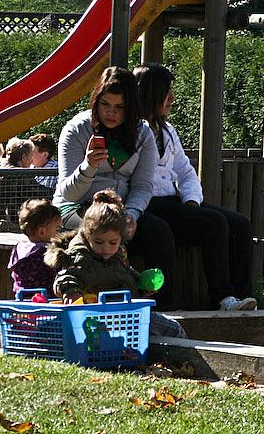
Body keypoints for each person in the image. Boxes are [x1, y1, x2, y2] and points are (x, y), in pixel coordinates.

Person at [135, 63, 256, 310]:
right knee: (214, 222)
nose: (172, 99)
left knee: (240, 224)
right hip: (148, 202)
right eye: (166, 93)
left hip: (173, 201)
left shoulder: (168, 130)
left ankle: (244, 298)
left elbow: (185, 170)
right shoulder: (134, 130)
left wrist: (191, 200)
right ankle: (222, 297)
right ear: (151, 94)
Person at [54, 66, 176, 307]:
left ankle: (159, 306)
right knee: (104, 234)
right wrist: (88, 166)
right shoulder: (76, 129)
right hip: (77, 206)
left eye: (120, 107)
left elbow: (143, 186)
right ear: (96, 101)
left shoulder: (143, 133)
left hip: (120, 209)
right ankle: (88, 298)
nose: (111, 112)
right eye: (105, 104)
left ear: (131, 108)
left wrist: (131, 214)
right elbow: (69, 192)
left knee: (159, 231)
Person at [45, 190, 186, 338]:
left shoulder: (117, 255)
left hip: (122, 314)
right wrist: (72, 291)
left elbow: (124, 273)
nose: (106, 248)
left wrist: (140, 283)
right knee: (174, 329)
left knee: (168, 328)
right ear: (87, 235)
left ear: (121, 238)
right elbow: (66, 276)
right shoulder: (81, 256)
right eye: (98, 242)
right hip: (101, 317)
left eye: (112, 242)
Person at [0, 138, 52, 234]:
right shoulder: (18, 174)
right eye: (31, 155)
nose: (32, 161)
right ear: (23, 157)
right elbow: (43, 193)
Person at [8, 198, 60, 295]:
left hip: (22, 295)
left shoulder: (19, 247)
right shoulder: (45, 251)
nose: (59, 233)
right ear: (42, 231)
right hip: (46, 296)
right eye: (57, 229)